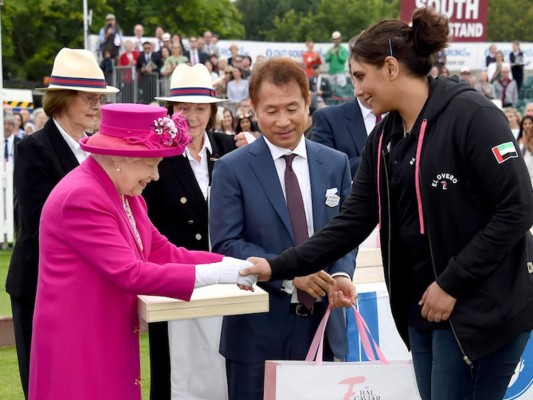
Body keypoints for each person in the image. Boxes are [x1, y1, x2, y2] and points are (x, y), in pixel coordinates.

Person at [242, 8, 533, 400]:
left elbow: (517, 209)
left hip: (480, 310)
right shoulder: (384, 138)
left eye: (361, 76)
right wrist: (277, 265)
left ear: (391, 67)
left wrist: (451, 282)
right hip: (423, 312)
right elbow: (351, 222)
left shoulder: (475, 116)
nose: (357, 90)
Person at [28, 103, 254, 400]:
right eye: (151, 164)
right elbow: (130, 272)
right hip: (79, 342)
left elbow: (164, 252)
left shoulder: (125, 193)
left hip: (105, 333)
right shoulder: (82, 196)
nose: (157, 176)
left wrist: (231, 263)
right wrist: (217, 273)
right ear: (121, 157)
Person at [210, 57, 356, 400]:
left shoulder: (335, 164)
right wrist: (289, 274)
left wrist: (342, 277)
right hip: (256, 333)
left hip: (323, 326)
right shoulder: (232, 169)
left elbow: (347, 235)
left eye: (292, 108)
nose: (283, 121)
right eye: (271, 110)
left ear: (308, 104)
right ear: (254, 109)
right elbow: (227, 245)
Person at [4, 48, 119, 400]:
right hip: (41, 285)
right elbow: (42, 223)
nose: (97, 107)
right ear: (63, 99)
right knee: (48, 384)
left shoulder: (99, 149)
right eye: (89, 99)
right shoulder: (33, 149)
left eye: (100, 99)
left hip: (88, 287)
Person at [145, 64, 236, 400]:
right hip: (176, 278)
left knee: (223, 363)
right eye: (184, 108)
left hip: (226, 275)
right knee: (174, 371)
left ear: (213, 111)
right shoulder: (157, 154)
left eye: (201, 108)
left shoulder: (230, 147)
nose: (192, 116)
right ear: (171, 110)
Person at [313, 94, 378, 178]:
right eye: (360, 80)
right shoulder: (328, 118)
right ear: (353, 81)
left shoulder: (398, 114)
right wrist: (381, 162)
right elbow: (323, 166)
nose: (359, 91)